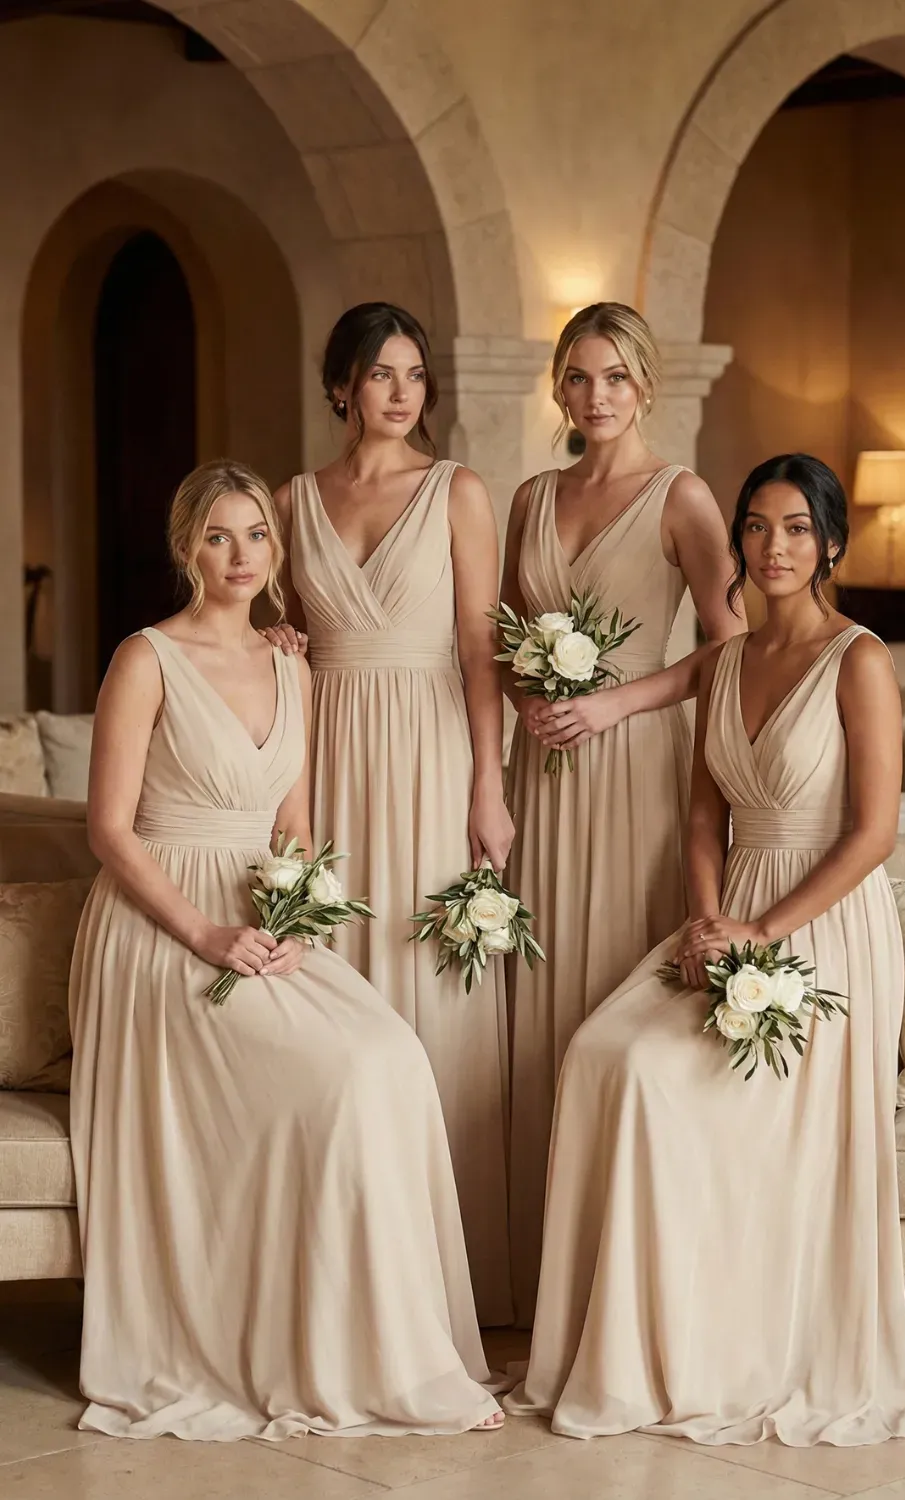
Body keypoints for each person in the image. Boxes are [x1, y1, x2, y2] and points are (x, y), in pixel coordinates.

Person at [70, 459, 504, 1440]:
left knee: (390, 1057)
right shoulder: (144, 658)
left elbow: (296, 830)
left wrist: (291, 919)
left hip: (258, 918)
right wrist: (205, 932)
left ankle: (386, 1353)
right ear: (189, 546)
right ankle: (286, 1347)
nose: (239, 555)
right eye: (218, 536)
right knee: (339, 1076)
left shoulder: (291, 666)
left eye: (255, 536)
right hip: (159, 932)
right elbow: (109, 831)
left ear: (278, 549)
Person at [505, 453, 905, 1444]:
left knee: (656, 1076)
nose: (772, 547)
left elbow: (874, 833)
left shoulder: (858, 657)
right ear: (734, 542)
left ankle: (724, 1347)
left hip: (823, 927)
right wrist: (704, 924)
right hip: (725, 913)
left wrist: (762, 933)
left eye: (793, 529)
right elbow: (701, 817)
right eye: (755, 527)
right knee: (600, 1053)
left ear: (828, 543)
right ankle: (629, 1348)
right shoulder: (725, 660)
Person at [265, 304, 514, 1325]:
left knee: (428, 986)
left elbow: (477, 647)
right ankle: (347, 1274)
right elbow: (263, 623)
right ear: (341, 387)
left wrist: (488, 786)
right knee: (336, 984)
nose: (401, 391)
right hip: (323, 753)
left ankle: (449, 1282)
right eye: (380, 374)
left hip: (428, 747)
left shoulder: (455, 490)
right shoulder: (288, 499)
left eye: (414, 374)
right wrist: (276, 647)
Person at [501, 301, 743, 1323]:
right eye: (575, 377)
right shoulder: (528, 497)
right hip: (541, 773)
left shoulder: (680, 498)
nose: (593, 396)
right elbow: (503, 638)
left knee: (616, 990)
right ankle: (533, 1274)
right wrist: (531, 702)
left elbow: (729, 646)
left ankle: (627, 1286)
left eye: (612, 377)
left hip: (639, 767)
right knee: (537, 998)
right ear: (557, 388)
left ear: (645, 385)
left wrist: (613, 702)